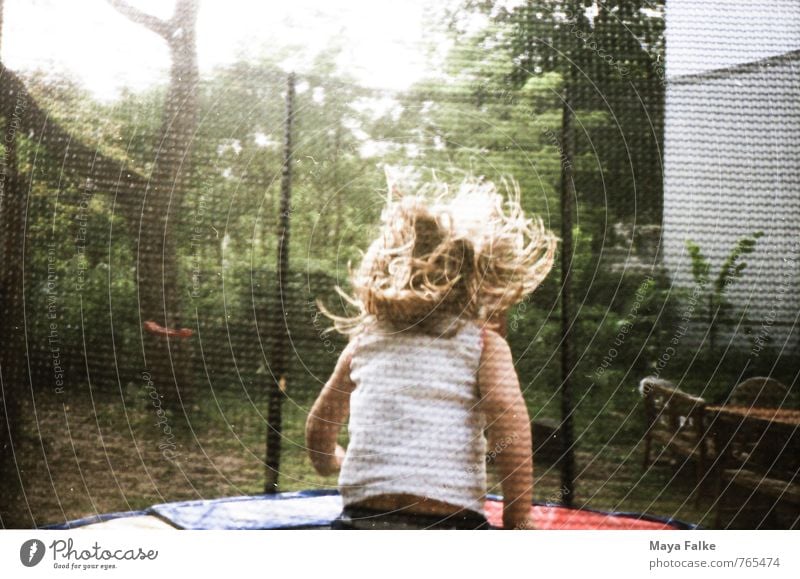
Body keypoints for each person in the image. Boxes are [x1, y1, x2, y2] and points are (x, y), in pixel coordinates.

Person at [305, 177, 557, 529]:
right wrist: (518, 519)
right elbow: (508, 422)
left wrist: (328, 460)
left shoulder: (364, 340)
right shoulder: (483, 344)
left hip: (365, 518)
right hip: (450, 520)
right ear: (478, 281)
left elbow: (321, 423)